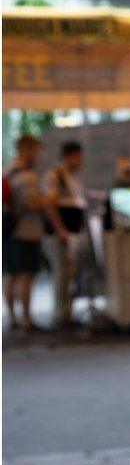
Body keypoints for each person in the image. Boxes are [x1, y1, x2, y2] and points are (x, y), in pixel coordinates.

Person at [41, 141, 87, 329]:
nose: (81, 162)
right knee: (62, 273)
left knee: (68, 273)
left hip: (71, 233)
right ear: (70, 156)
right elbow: (49, 203)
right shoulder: (55, 175)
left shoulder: (70, 177)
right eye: (79, 158)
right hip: (59, 234)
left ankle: (67, 312)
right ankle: (61, 315)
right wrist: (60, 229)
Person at [3, 136, 44, 331]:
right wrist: (49, 202)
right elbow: (31, 202)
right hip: (26, 231)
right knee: (26, 275)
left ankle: (13, 318)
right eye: (36, 150)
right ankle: (26, 319)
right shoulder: (26, 175)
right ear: (26, 149)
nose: (38, 155)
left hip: (9, 230)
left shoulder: (8, 171)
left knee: (11, 274)